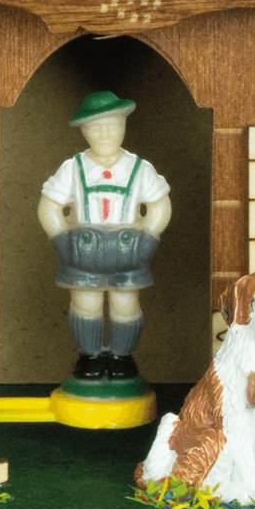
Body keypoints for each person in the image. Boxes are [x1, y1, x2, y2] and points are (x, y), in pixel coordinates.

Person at [38, 91, 171, 382]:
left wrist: (148, 238)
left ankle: (123, 356)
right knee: (86, 303)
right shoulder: (73, 168)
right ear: (84, 131)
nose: (106, 134)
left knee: (126, 304)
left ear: (124, 126)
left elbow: (160, 205)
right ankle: (90, 356)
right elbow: (49, 206)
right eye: (96, 128)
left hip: (128, 253)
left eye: (113, 126)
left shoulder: (139, 169)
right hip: (84, 254)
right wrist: (63, 241)